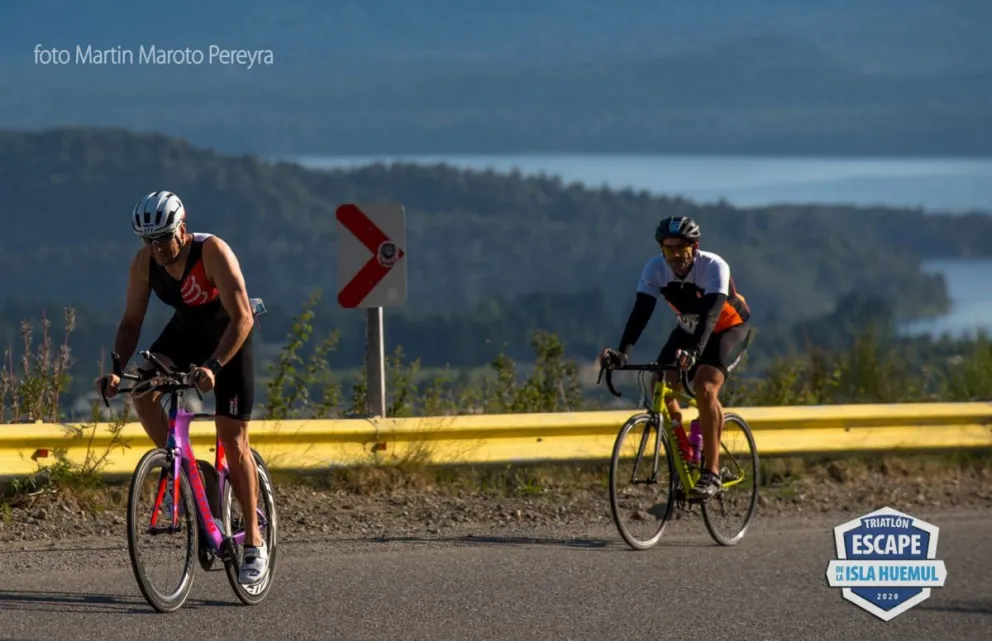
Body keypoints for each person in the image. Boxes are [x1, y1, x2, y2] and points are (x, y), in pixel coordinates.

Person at [97, 190, 268, 584]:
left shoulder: (212, 252)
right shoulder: (144, 263)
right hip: (185, 334)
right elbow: (131, 322)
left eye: (163, 238)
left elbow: (243, 317)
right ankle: (186, 467)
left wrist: (214, 366)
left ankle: (254, 541)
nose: (157, 248)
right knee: (143, 391)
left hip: (228, 339)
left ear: (182, 229)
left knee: (233, 440)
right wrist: (118, 371)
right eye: (149, 240)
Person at [600, 215, 752, 501]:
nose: (676, 256)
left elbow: (710, 317)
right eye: (669, 249)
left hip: (728, 328)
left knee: (705, 386)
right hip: (690, 327)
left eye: (681, 248)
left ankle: (712, 472)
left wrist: (694, 353)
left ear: (694, 247)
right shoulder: (655, 268)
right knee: (660, 381)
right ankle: (686, 454)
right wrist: (623, 352)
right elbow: (641, 312)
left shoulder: (714, 266)